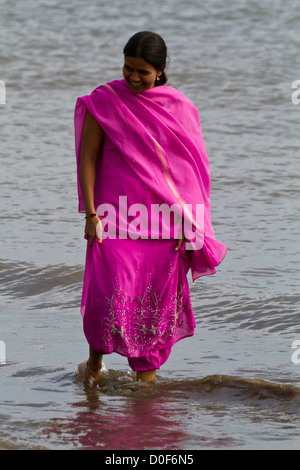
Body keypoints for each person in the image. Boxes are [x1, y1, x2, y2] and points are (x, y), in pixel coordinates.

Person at [74, 31, 227, 386]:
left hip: (163, 224)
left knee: (153, 303)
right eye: (128, 68)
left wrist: (189, 225)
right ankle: (94, 365)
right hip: (113, 220)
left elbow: (191, 171)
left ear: (159, 71)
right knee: (105, 297)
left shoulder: (179, 108)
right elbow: (89, 159)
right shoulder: (106, 100)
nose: (133, 77)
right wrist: (91, 214)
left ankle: (146, 390)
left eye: (142, 71)